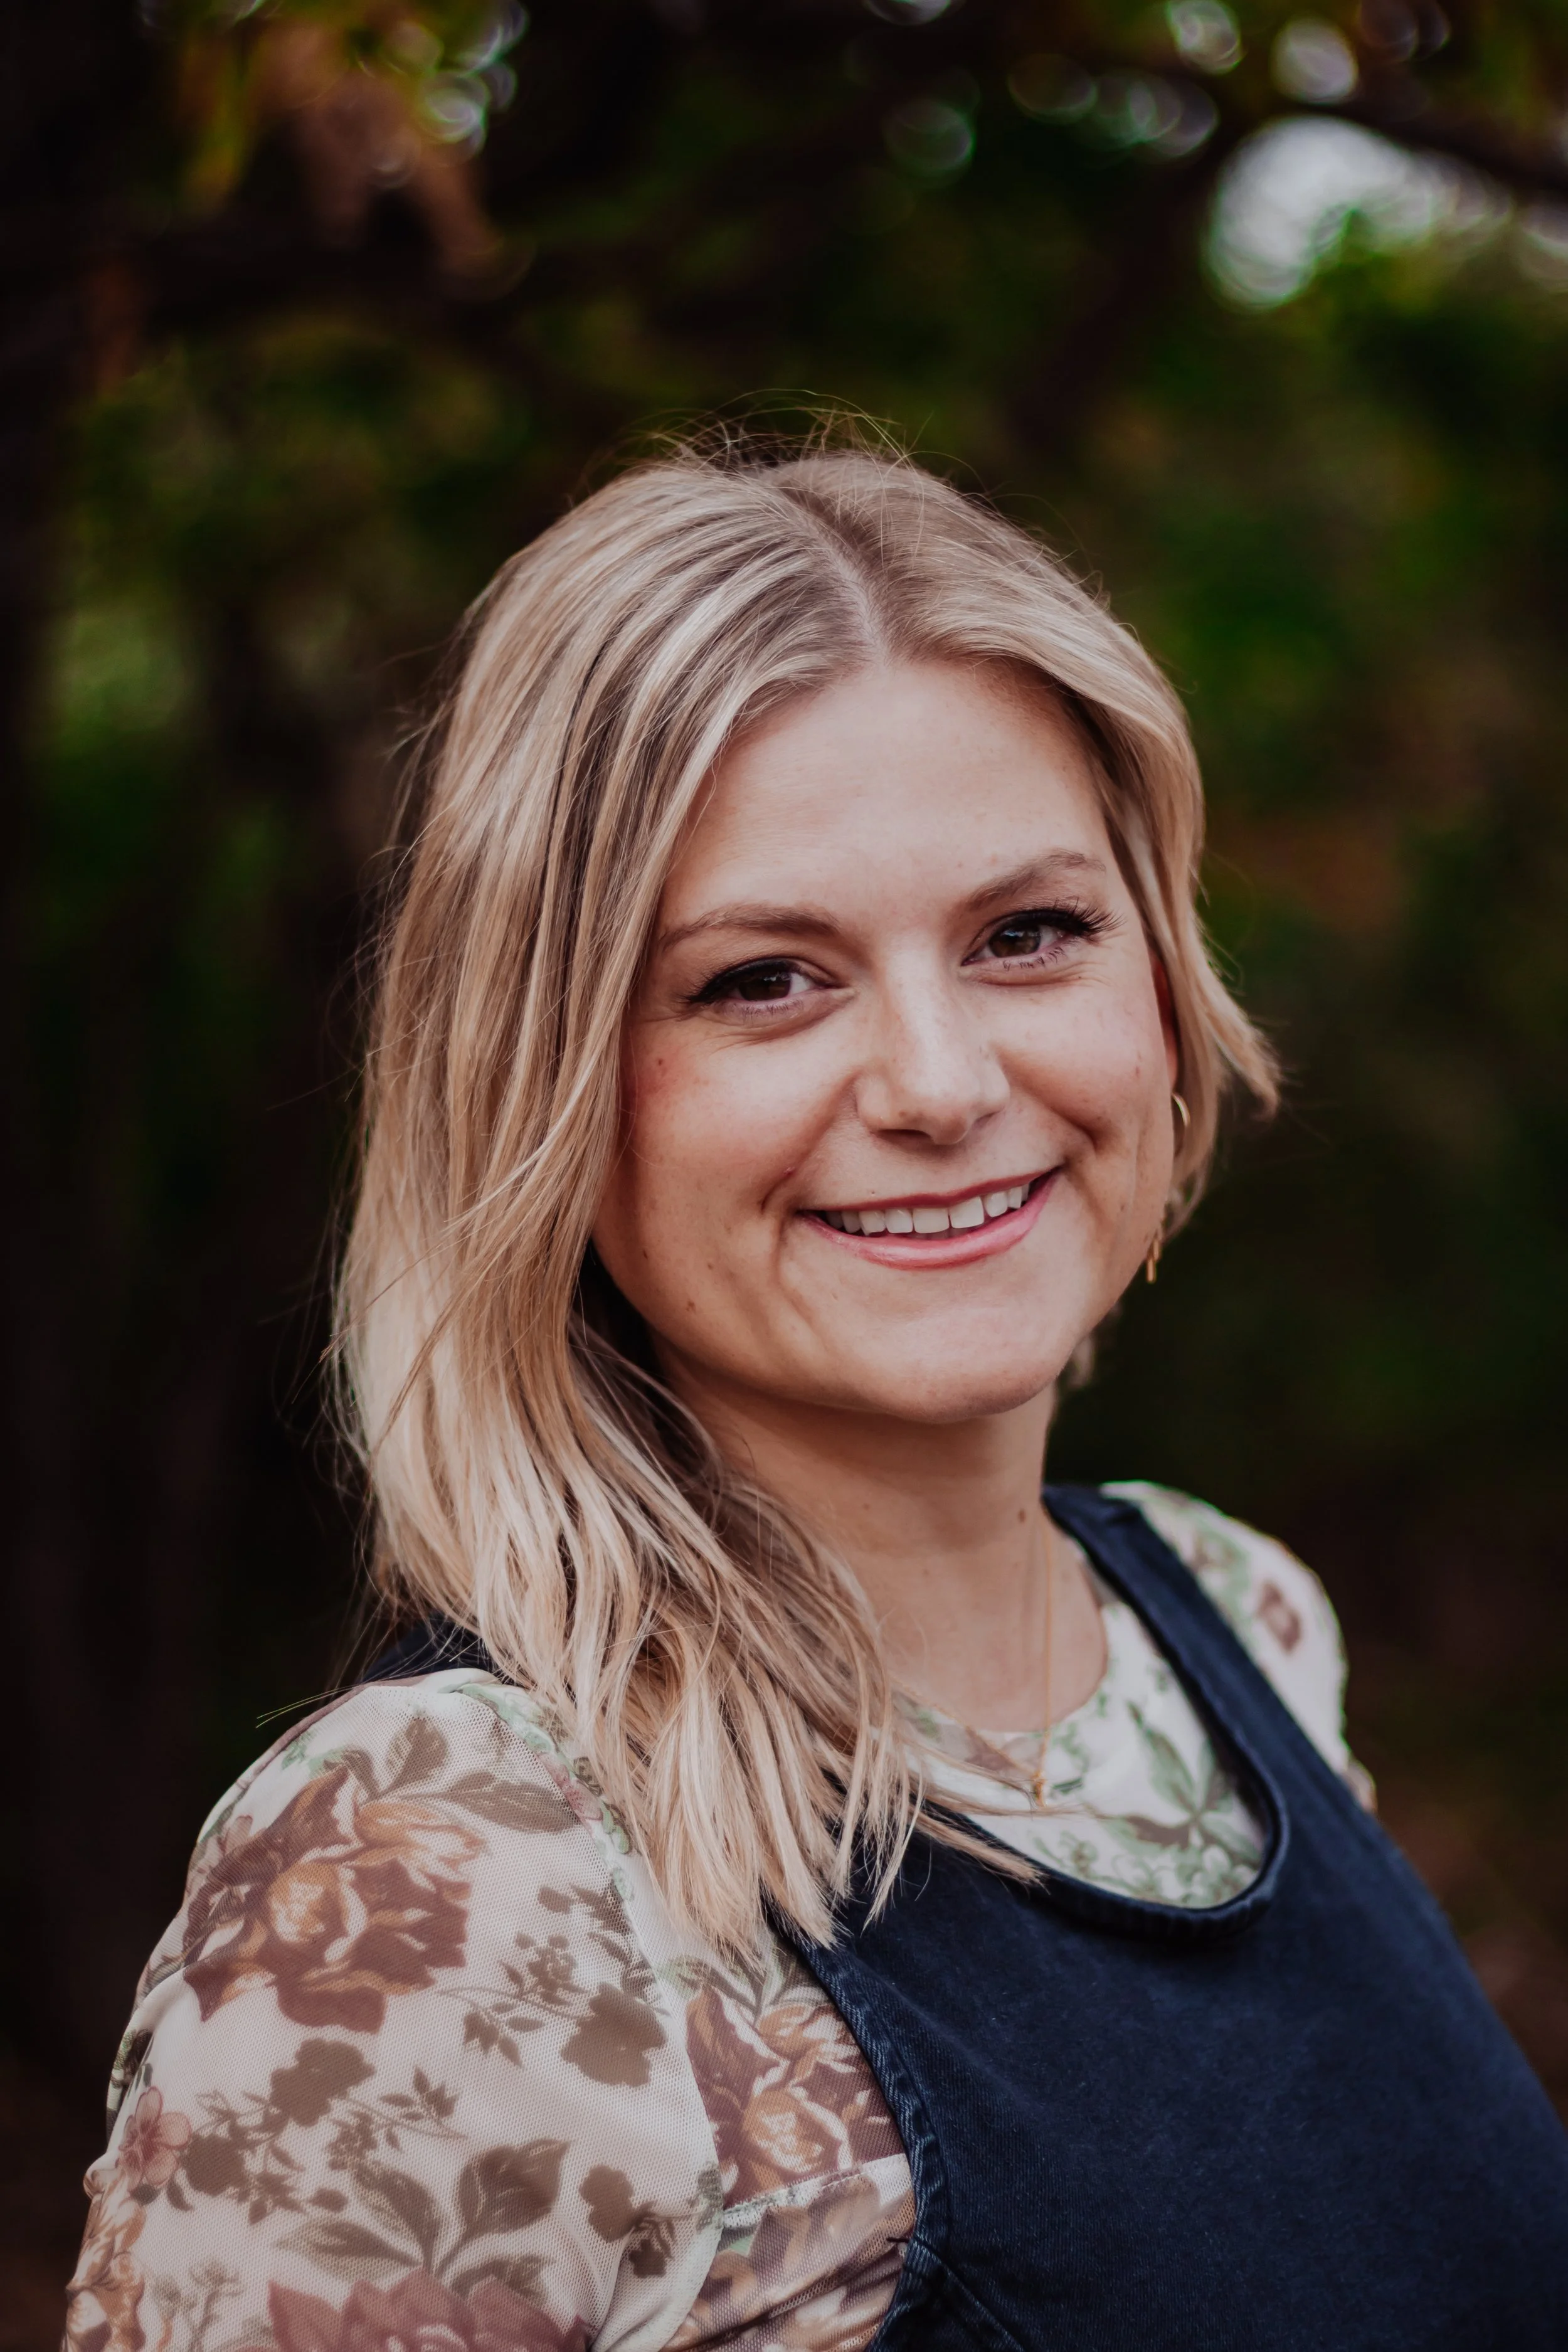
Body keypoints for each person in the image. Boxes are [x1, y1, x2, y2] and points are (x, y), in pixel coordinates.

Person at [65, 438, 1568, 2352]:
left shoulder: (1239, 1627)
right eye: (765, 979)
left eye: (1028, 932)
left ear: (1161, 988)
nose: (939, 1080)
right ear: (538, 1082)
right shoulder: (450, 1872)